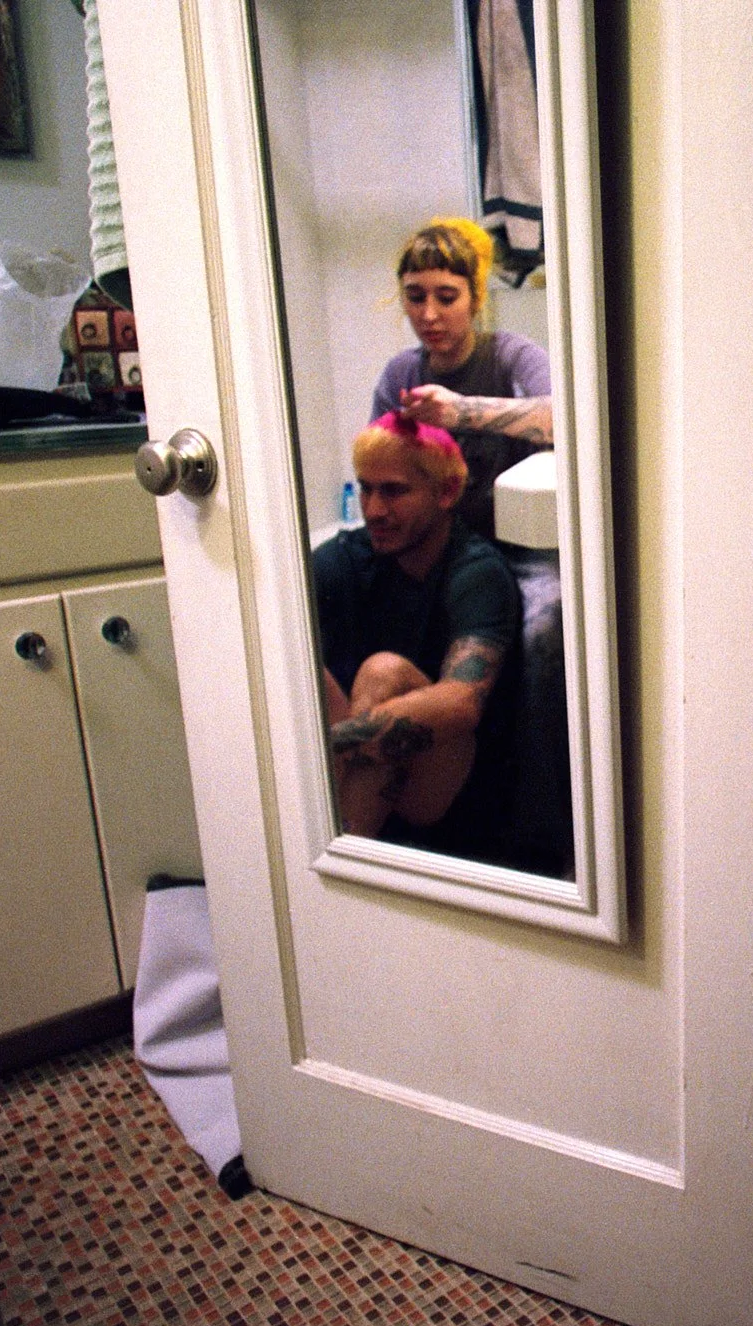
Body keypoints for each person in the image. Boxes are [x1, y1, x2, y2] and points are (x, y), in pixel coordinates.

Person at [310, 411, 521, 861]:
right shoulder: (345, 559)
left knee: (383, 673)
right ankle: (340, 849)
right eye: (366, 488)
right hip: (364, 778)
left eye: (394, 491)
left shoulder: (476, 572)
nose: (373, 510)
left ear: (445, 493)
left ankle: (346, 862)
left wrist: (330, 744)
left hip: (452, 787)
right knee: (296, 663)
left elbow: (462, 702)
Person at [372, 217, 553, 541]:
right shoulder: (401, 375)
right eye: (415, 298)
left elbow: (567, 418)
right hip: (434, 549)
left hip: (517, 548)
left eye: (446, 298)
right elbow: (375, 471)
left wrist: (461, 411)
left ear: (475, 299)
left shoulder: (511, 357)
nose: (429, 315)